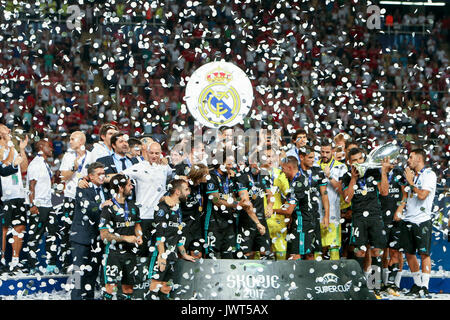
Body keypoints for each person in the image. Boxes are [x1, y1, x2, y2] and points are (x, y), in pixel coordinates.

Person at [341, 147, 390, 299]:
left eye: (360, 159)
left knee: (376, 251)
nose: (358, 163)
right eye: (354, 160)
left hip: (375, 216)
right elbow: (347, 199)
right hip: (358, 217)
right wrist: (354, 179)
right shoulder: (347, 177)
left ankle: (374, 285)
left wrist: (383, 172)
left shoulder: (373, 172)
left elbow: (384, 192)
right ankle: (358, 285)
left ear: (364, 159)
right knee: (360, 252)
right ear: (349, 162)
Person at [146, 179, 196, 300]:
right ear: (178, 192)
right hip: (159, 253)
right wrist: (162, 255)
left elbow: (177, 234)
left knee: (166, 290)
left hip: (172, 255)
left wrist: (183, 254)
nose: (188, 192)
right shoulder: (163, 208)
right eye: (186, 189)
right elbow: (159, 233)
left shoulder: (177, 209)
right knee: (154, 289)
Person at [122, 141, 173, 258]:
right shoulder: (139, 167)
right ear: (146, 153)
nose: (154, 156)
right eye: (151, 153)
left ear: (161, 154)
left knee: (158, 251)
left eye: (157, 153)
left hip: (160, 216)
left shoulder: (165, 168)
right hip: (143, 215)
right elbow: (120, 176)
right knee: (142, 249)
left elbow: (173, 178)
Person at [399, 148, 437, 298]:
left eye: (410, 157)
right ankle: (417, 284)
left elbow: (421, 195)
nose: (408, 160)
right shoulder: (411, 175)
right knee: (409, 253)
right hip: (408, 218)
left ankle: (425, 287)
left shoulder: (429, 175)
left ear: (419, 159)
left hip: (422, 219)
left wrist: (410, 181)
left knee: (424, 253)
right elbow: (406, 195)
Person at [70, 162, 110, 300]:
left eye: (103, 173)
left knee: (92, 276)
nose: (102, 176)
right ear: (90, 176)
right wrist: (101, 206)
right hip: (81, 238)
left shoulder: (106, 189)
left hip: (98, 239)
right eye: (99, 174)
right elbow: (87, 208)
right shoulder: (82, 189)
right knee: (77, 275)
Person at [99, 174, 143, 300]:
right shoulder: (108, 208)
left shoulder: (133, 206)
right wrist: (125, 238)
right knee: (110, 288)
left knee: (128, 288)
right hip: (113, 253)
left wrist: (139, 236)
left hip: (130, 252)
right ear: (120, 187)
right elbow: (104, 236)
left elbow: (137, 225)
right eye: (129, 185)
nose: (132, 187)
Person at [280, 149, 329, 261]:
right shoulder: (297, 176)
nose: (313, 160)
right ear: (301, 157)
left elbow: (324, 194)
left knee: (303, 254)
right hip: (303, 217)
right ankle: (306, 277)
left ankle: (303, 277)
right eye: (310, 157)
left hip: (307, 219)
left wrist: (326, 215)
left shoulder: (305, 178)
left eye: (314, 157)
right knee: (301, 252)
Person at [59, 131, 94, 272]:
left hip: (86, 199)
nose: (70, 141)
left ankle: (84, 263)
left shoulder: (91, 156)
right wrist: (74, 168)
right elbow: (63, 177)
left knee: (86, 230)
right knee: (67, 230)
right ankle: (66, 263)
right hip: (70, 198)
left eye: (72, 139)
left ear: (81, 141)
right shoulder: (68, 156)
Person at [26, 140, 58, 275]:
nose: (51, 148)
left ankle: (50, 265)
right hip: (39, 205)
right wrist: (32, 204)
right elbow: (31, 186)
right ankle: (32, 266)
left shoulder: (45, 164)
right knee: (35, 236)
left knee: (52, 234)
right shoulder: (35, 164)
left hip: (49, 205)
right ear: (40, 147)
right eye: (48, 146)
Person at [0, 126, 28, 274]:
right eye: (5, 129)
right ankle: (2, 260)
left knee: (20, 227)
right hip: (5, 195)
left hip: (18, 193)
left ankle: (15, 262)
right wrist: (10, 148)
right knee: (3, 230)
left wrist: (22, 149)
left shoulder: (13, 148)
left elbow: (23, 168)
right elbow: (4, 166)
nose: (9, 130)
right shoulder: (1, 149)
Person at [203, 156, 243, 259]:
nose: (231, 166)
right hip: (214, 222)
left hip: (228, 222)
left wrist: (238, 201)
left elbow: (234, 196)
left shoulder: (230, 177)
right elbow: (216, 201)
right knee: (212, 256)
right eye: (228, 164)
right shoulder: (211, 177)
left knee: (228, 256)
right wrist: (235, 204)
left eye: (232, 164)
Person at [379, 160, 407, 297]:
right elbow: (382, 192)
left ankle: (393, 284)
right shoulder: (377, 173)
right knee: (382, 252)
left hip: (396, 218)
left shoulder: (399, 173)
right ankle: (382, 283)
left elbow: (405, 194)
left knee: (395, 252)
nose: (391, 162)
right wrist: (383, 171)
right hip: (381, 218)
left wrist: (400, 209)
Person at [234, 162, 272, 259]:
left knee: (266, 252)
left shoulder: (264, 174)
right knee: (247, 254)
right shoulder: (242, 176)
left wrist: (270, 205)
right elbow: (246, 203)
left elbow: (270, 194)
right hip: (246, 221)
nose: (259, 167)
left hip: (261, 220)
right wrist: (257, 223)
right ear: (251, 162)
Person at [318, 139, 347, 260]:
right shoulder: (315, 165)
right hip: (316, 212)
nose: (324, 155)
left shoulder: (341, 167)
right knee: (318, 247)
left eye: (327, 152)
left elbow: (342, 191)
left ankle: (334, 275)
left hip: (333, 213)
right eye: (322, 152)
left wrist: (329, 176)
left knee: (333, 246)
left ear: (333, 151)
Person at [179, 163, 209, 259]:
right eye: (206, 174)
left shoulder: (202, 186)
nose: (208, 176)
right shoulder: (184, 185)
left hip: (197, 226)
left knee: (197, 255)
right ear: (199, 175)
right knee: (181, 254)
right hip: (184, 225)